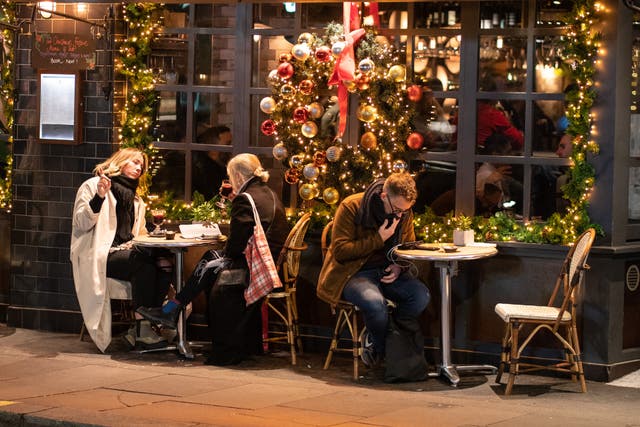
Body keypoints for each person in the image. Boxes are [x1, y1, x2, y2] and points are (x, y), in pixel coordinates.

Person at [137, 153, 290, 365]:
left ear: (236, 175)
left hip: (255, 265)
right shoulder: (267, 192)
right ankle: (172, 308)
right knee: (211, 259)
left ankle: (172, 308)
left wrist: (225, 247)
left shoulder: (246, 199)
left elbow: (236, 245)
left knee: (212, 261)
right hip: (270, 261)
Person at [317, 173, 431, 368]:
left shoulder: (403, 213)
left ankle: (382, 337)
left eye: (405, 211)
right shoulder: (352, 206)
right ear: (384, 195)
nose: (400, 215)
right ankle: (384, 353)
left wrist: (398, 266)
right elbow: (341, 251)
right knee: (374, 303)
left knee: (420, 296)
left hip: (387, 272)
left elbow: (406, 247)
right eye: (397, 209)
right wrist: (379, 238)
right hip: (353, 273)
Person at [71, 148, 172, 352]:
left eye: (141, 166)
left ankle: (148, 323)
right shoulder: (93, 186)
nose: (139, 168)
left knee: (165, 262)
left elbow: (138, 232)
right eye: (134, 162)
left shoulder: (136, 200)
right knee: (142, 264)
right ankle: (143, 329)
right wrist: (99, 196)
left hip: (126, 252)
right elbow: (81, 223)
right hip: (99, 254)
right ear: (121, 161)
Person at [192, 125, 233, 199]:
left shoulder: (222, 164)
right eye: (227, 144)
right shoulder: (202, 168)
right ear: (214, 145)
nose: (230, 148)